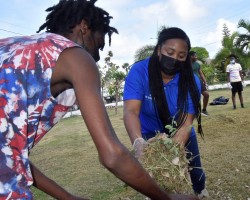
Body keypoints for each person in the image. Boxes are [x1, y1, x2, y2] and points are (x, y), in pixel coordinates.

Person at [0, 1, 199, 199]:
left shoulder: (12, 47)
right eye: (99, 44)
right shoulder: (75, 56)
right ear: (84, 28)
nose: (96, 57)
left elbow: (13, 157)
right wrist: (167, 198)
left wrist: (68, 198)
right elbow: (112, 156)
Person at [123, 27, 209, 199]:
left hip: (179, 130)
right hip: (147, 132)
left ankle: (201, 191)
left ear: (186, 58)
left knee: (194, 167)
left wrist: (172, 149)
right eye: (170, 52)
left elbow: (186, 123)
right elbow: (131, 111)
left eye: (181, 56)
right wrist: (138, 142)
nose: (174, 58)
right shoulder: (140, 72)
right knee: (154, 174)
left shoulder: (191, 81)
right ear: (158, 50)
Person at [190, 51, 210, 116]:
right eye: (195, 56)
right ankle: (194, 112)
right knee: (194, 98)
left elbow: (200, 73)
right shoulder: (185, 65)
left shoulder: (197, 64)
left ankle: (204, 110)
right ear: (191, 56)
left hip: (199, 82)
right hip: (190, 83)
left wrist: (205, 82)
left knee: (206, 94)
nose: (196, 57)